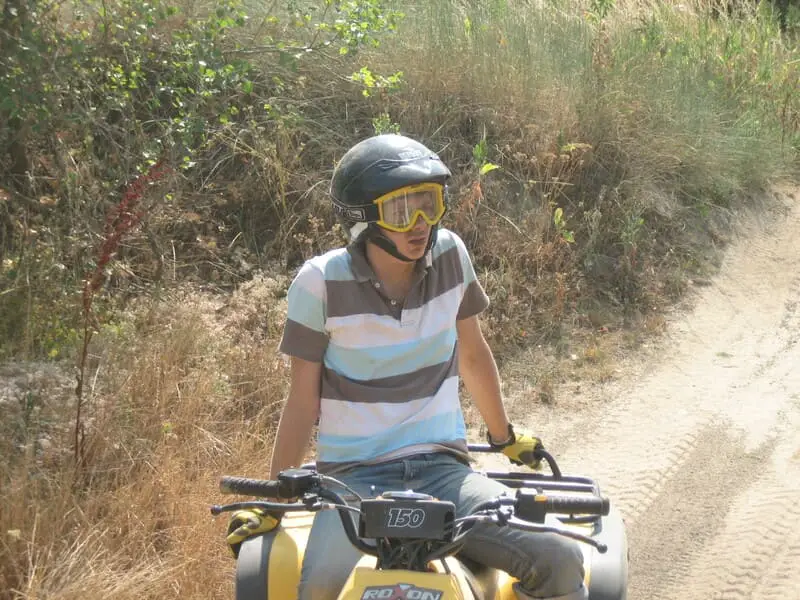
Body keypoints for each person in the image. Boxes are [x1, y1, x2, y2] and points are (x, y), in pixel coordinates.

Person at [239, 134, 586, 600]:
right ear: (362, 219)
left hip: (445, 471)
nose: (420, 223)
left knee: (559, 559)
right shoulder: (319, 283)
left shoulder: (450, 256)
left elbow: (473, 353)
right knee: (317, 590)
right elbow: (303, 398)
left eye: (429, 203)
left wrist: (504, 438)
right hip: (352, 480)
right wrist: (276, 494)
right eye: (401, 210)